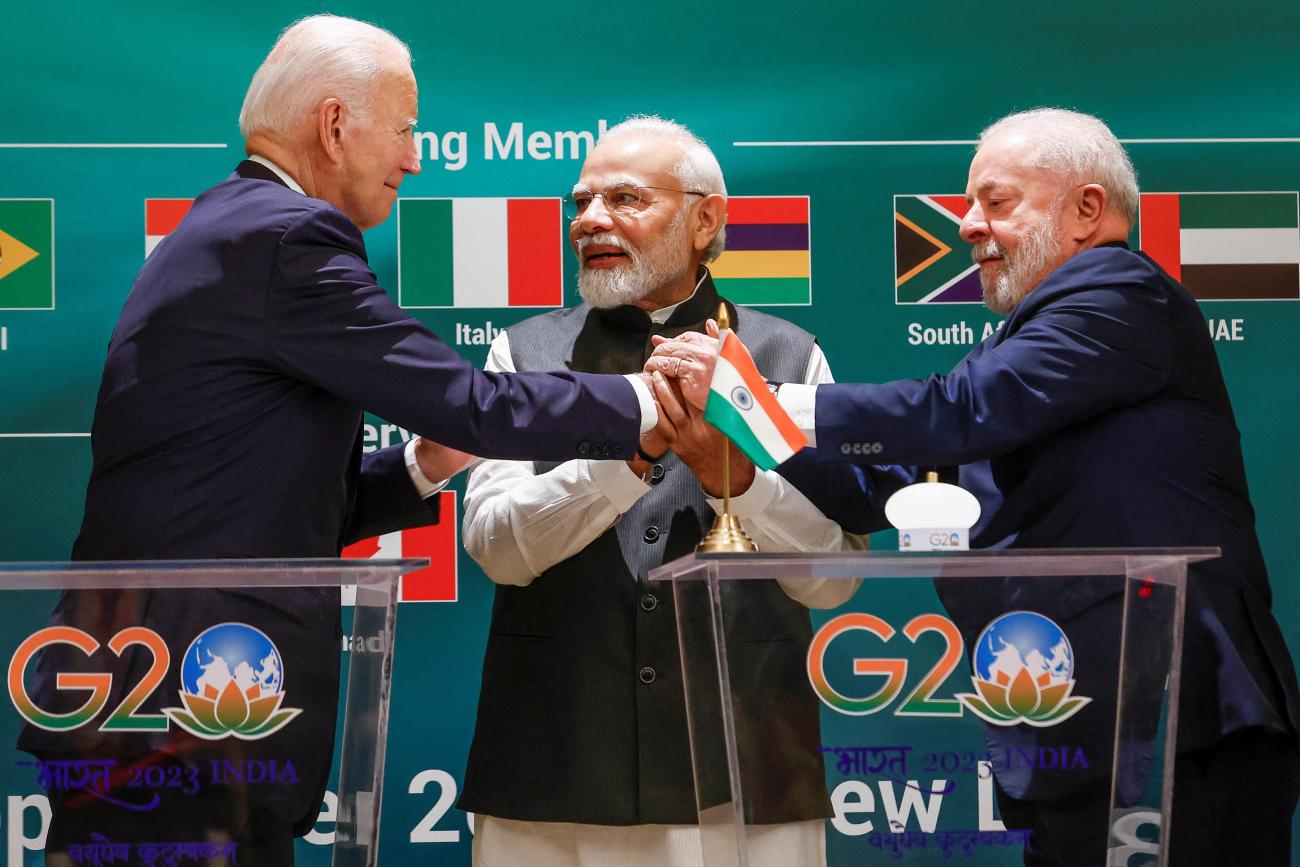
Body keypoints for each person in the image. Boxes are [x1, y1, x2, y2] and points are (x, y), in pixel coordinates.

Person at [19, 15, 666, 865]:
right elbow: (467, 399)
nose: (415, 158)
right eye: (405, 130)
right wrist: (651, 402)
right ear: (334, 126)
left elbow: (246, 499)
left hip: (157, 701)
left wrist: (420, 467)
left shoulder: (221, 229)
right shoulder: (286, 237)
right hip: (190, 710)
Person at [649, 108, 1300, 866]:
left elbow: (961, 411)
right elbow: (874, 490)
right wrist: (746, 445)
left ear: (1087, 210)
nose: (966, 225)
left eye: (995, 202)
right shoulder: (1014, 346)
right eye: (969, 204)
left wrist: (760, 397)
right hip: (1064, 731)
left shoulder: (1119, 291)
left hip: (1175, 725)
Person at [456, 116, 868, 867]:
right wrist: (629, 456)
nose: (589, 221)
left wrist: (740, 483)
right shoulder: (520, 353)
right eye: (579, 202)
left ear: (706, 218)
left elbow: (836, 576)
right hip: (551, 775)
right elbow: (496, 550)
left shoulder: (790, 357)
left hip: (749, 778)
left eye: (624, 198)